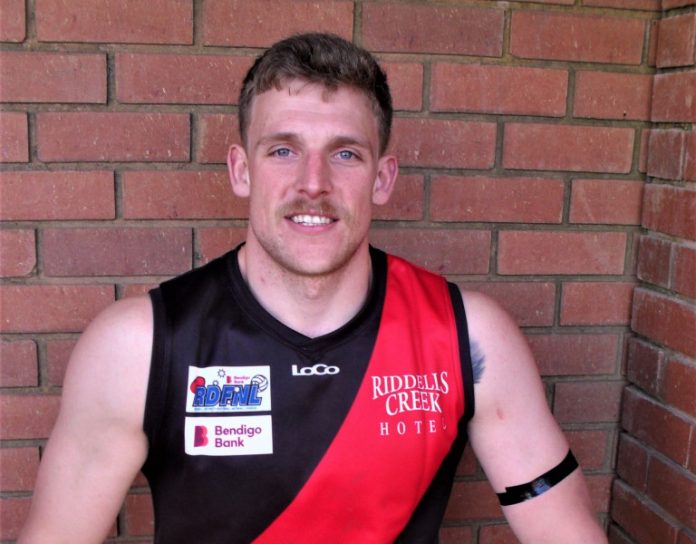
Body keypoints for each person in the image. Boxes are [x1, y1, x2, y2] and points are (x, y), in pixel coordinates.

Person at [19, 33, 608, 543]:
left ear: (382, 179)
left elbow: (563, 531)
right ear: (241, 170)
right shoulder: (138, 346)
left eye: (345, 154)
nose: (313, 183)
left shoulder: (467, 337)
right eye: (283, 150)